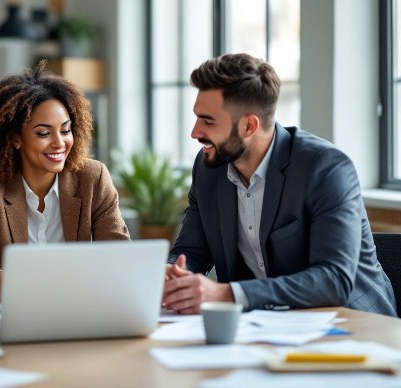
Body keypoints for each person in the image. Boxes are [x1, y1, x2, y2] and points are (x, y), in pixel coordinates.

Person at [162, 53, 396, 316]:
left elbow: (334, 280)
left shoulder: (326, 168)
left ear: (249, 125)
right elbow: (192, 250)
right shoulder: (209, 168)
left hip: (353, 324)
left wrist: (227, 294)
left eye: (208, 121)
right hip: (265, 326)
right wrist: (172, 274)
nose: (195, 132)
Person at [0, 61, 130, 295]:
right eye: (44, 133)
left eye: (66, 130)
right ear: (16, 138)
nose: (59, 142)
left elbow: (120, 255)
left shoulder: (93, 178)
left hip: (82, 304)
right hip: (18, 307)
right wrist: (37, 284)